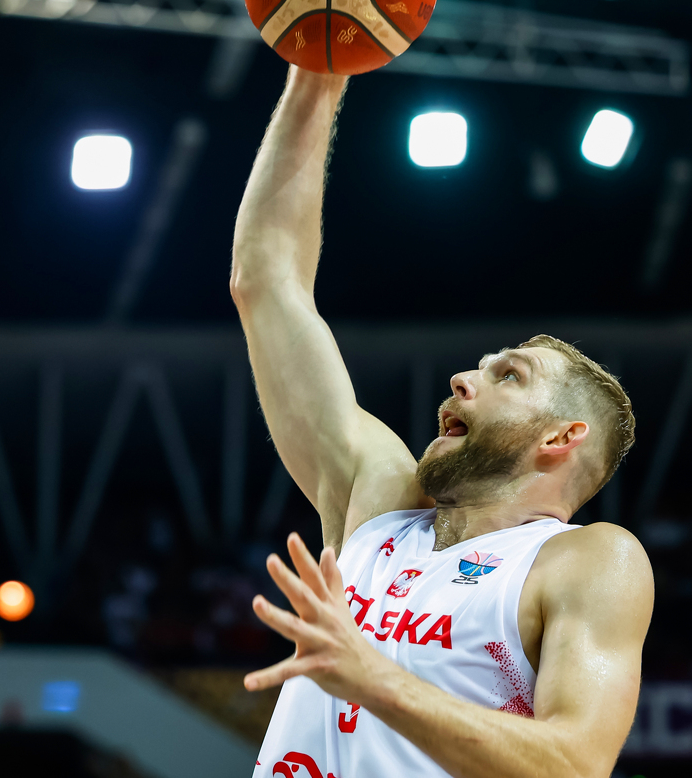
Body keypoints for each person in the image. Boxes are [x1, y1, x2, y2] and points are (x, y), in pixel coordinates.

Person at [230, 67, 655, 778]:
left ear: (561, 437)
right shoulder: (379, 502)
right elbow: (266, 277)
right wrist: (318, 71)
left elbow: (576, 763)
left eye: (508, 375)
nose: (464, 377)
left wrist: (375, 680)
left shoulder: (585, 561)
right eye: (479, 366)